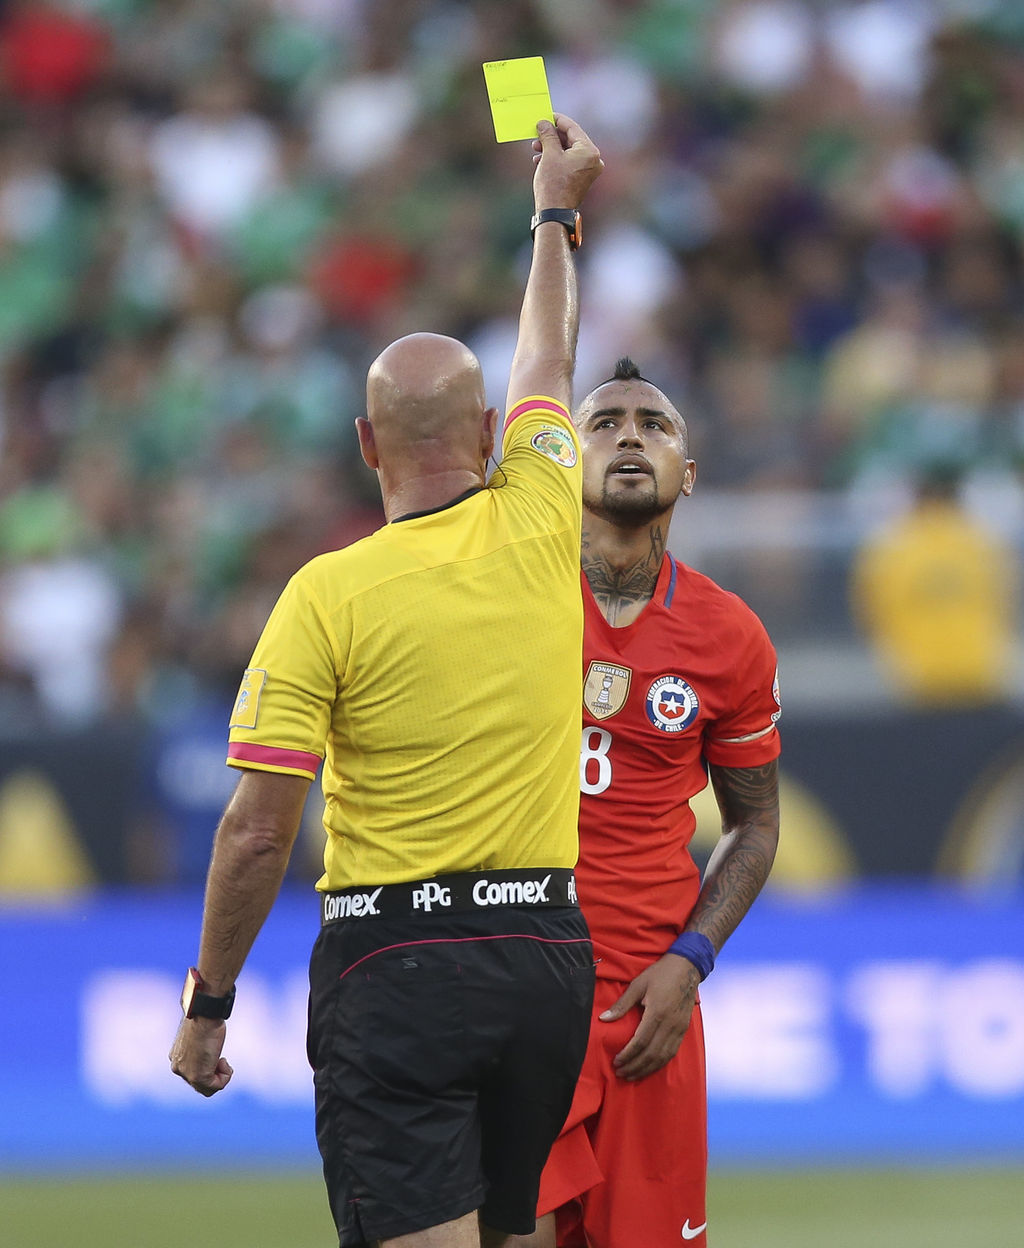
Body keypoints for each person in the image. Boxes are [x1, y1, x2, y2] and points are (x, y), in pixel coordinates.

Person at [169, 113, 604, 1248]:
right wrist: (554, 213)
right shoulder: (542, 511)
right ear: (498, 433)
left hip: (397, 960)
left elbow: (257, 833)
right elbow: (548, 355)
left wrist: (209, 1002)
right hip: (547, 958)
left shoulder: (326, 594)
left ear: (366, 444)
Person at [510, 359, 782, 1248]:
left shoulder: (729, 635)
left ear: (687, 474)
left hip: (646, 1006)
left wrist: (693, 958)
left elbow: (755, 822)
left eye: (655, 425)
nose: (630, 435)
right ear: (568, 460)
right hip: (513, 982)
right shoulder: (505, 601)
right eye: (605, 422)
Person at [850, 461, 1019, 707]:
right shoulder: (985, 543)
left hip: (917, 680)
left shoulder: (889, 548)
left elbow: (870, 615)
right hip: (981, 674)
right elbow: (1007, 602)